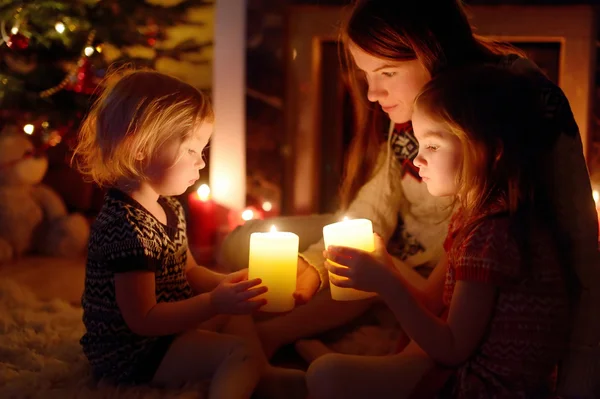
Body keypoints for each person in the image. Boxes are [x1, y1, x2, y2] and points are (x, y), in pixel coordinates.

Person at [220, 0, 597, 367]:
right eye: (365, 74)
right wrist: (315, 264)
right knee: (243, 241)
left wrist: (581, 372)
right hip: (399, 246)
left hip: (442, 271)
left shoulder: (497, 107)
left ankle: (282, 338)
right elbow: (378, 200)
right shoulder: (415, 107)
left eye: (387, 72)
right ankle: (273, 333)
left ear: (433, 51)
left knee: (358, 271)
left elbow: (577, 234)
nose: (371, 94)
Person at [307, 65, 574, 398]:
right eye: (418, 144)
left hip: (481, 386)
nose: (417, 161)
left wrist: (386, 285)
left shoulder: (492, 235)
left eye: (432, 147)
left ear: (490, 150)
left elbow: (451, 347)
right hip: (458, 369)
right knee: (329, 373)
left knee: (327, 375)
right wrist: (386, 265)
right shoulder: (474, 216)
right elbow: (431, 301)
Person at [73, 69, 306, 399]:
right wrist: (213, 302)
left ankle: (260, 374)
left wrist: (229, 287)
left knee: (234, 316)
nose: (200, 163)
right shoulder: (124, 228)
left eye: (203, 151)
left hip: (168, 333)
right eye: (191, 151)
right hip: (135, 353)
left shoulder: (168, 207)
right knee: (236, 351)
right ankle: (243, 372)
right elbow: (144, 319)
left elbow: (190, 271)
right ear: (139, 147)